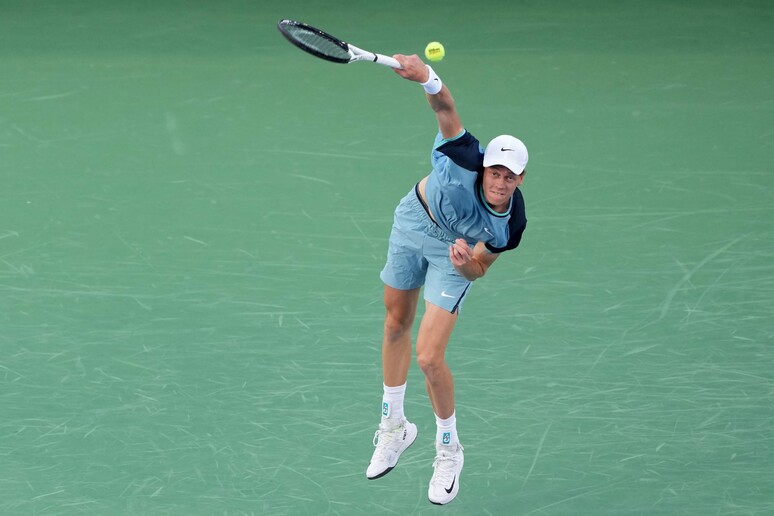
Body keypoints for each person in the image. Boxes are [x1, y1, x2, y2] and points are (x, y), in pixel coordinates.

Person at [364, 53, 529, 505]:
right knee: (395, 321)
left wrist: (464, 265)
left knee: (430, 358)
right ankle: (394, 427)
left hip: (451, 256)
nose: (499, 180)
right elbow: (445, 109)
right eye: (495, 171)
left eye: (509, 176)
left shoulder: (510, 225)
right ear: (485, 167)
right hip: (413, 221)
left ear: (520, 179)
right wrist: (427, 77)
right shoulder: (462, 157)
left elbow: (480, 269)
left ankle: (448, 449)